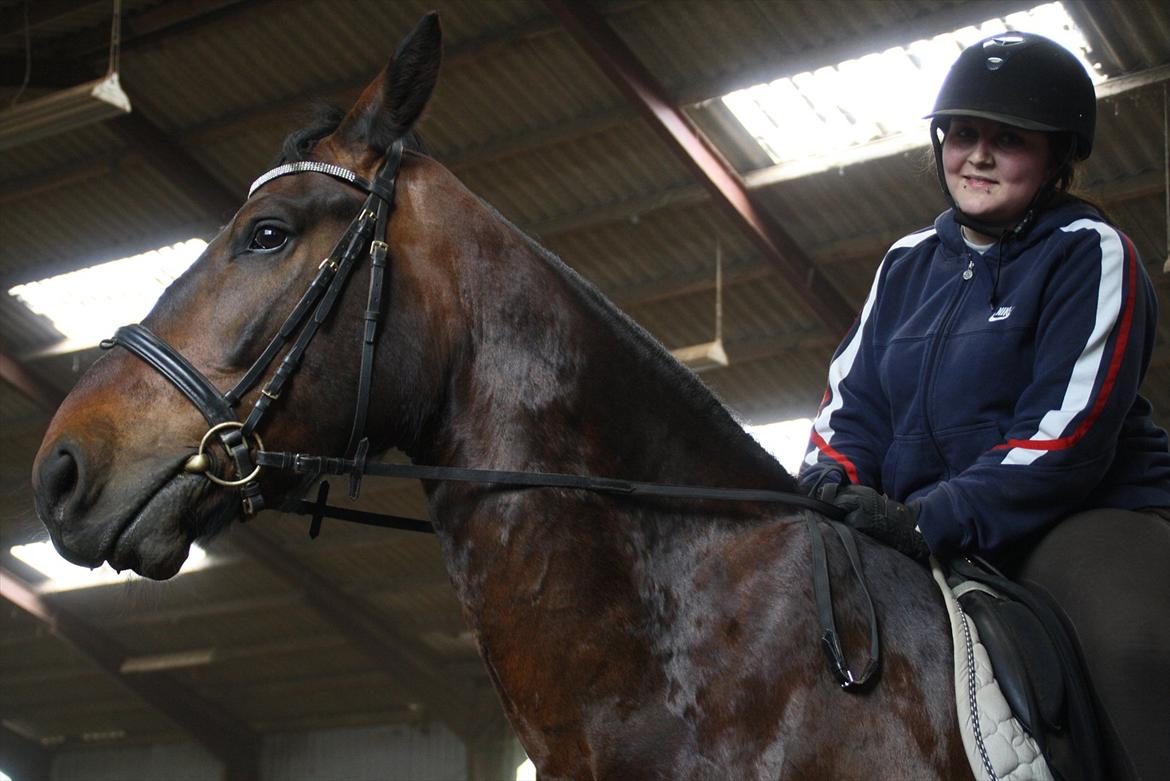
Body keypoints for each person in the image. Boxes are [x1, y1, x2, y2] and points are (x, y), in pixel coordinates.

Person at [798, 32, 1170, 781]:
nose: (977, 155)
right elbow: (853, 406)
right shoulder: (905, 265)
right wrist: (825, 485)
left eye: (1009, 140)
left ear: (1058, 154)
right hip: (913, 523)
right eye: (962, 135)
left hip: (1074, 515)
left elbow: (1067, 437)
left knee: (1135, 644)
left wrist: (926, 517)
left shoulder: (1089, 252)